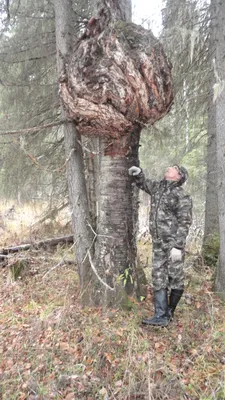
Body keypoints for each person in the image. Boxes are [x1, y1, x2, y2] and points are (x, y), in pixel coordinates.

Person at [128, 165, 193, 327]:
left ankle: (169, 311)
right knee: (158, 275)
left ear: (179, 176)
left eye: (173, 168)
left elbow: (185, 222)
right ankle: (160, 315)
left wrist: (178, 246)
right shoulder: (158, 187)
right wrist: (138, 173)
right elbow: (144, 183)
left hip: (173, 244)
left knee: (175, 276)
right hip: (158, 243)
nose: (168, 168)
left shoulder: (182, 196)